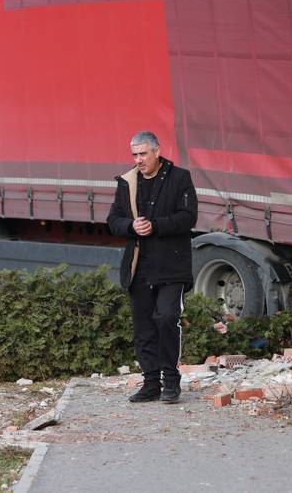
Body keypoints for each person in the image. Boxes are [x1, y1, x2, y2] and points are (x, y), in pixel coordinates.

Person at [107, 131, 197, 404]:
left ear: (157, 152)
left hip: (172, 266)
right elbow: (113, 220)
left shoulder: (180, 178)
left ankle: (171, 381)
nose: (138, 160)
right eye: (134, 155)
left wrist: (156, 226)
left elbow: (188, 217)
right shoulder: (127, 182)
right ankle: (150, 383)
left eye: (143, 154)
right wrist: (130, 226)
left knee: (167, 318)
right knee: (144, 327)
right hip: (139, 266)